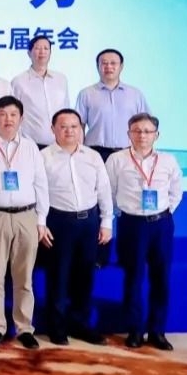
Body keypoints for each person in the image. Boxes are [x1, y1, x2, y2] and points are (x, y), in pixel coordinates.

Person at [0, 95, 50, 349]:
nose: (8, 119)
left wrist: (41, 219)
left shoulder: (30, 147)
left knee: (24, 277)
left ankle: (24, 328)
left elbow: (41, 184)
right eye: (3, 114)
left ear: (21, 118)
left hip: (26, 217)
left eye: (13, 115)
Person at [106, 113, 183, 350]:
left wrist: (163, 212)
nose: (142, 135)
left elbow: (176, 191)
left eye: (148, 131)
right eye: (137, 131)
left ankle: (157, 332)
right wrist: (125, 212)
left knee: (161, 278)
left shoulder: (168, 161)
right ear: (129, 134)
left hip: (161, 225)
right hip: (132, 225)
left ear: (156, 135)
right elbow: (109, 192)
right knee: (133, 278)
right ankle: (135, 331)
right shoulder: (117, 160)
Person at [41, 109, 113, 345]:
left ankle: (80, 324)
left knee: (85, 276)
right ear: (53, 129)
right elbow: (38, 193)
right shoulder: (43, 157)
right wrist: (41, 223)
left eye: (74, 126)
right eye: (63, 126)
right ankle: (57, 327)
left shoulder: (92, 156)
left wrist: (106, 222)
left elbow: (104, 190)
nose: (69, 131)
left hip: (89, 223)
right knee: (58, 277)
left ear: (81, 129)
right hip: (58, 222)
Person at [76, 48, 150, 162]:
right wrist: (79, 152)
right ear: (97, 66)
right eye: (104, 63)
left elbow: (146, 125)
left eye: (113, 63)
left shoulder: (135, 94)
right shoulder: (86, 94)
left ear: (121, 66)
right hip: (95, 152)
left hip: (128, 152)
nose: (109, 67)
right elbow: (79, 126)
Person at [11, 35, 70, 149]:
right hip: (31, 145)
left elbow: (66, 110)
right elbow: (14, 114)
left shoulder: (61, 79)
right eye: (37, 48)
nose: (42, 52)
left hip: (60, 144)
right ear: (29, 53)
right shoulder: (19, 81)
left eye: (46, 48)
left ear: (50, 53)